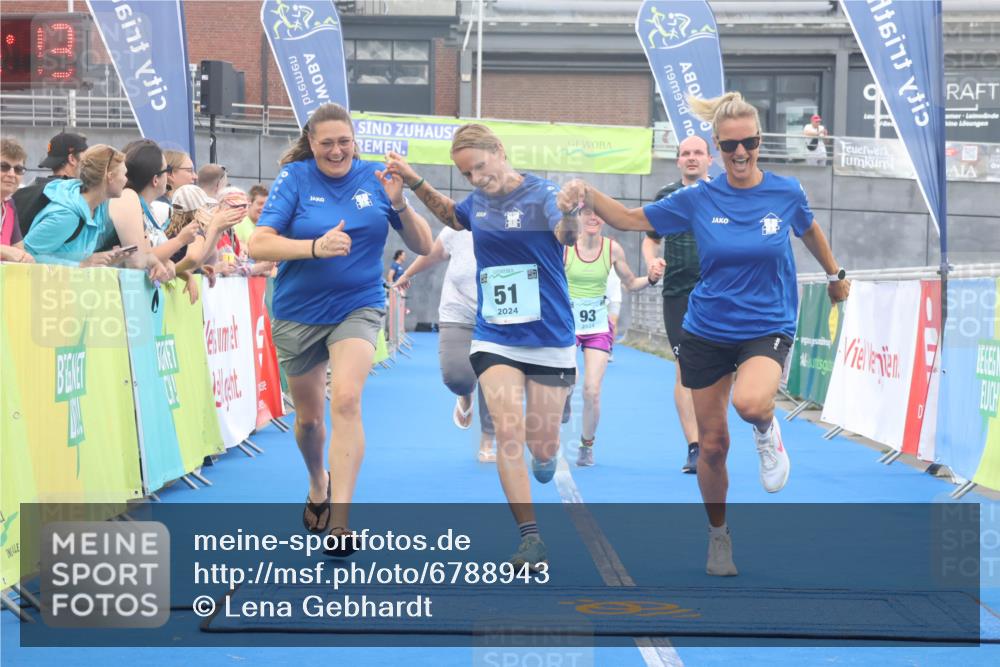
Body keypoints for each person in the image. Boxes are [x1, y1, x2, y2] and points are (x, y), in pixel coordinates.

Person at [558, 92, 850, 577]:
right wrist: (587, 191)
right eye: (731, 145)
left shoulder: (786, 192)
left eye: (750, 144)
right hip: (707, 327)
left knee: (753, 403)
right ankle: (719, 536)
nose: (741, 154)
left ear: (761, 144)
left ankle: (766, 431)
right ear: (717, 146)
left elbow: (810, 230)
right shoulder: (697, 198)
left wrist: (836, 273)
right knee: (711, 446)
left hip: (766, 323)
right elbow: (632, 220)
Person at [384, 124, 579, 570]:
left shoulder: (543, 194)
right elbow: (453, 216)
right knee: (508, 430)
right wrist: (413, 180)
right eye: (466, 173)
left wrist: (569, 214)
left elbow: (565, 235)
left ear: (500, 152)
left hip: (549, 336)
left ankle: (546, 454)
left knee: (542, 445)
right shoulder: (479, 203)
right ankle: (530, 538)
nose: (475, 178)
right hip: (496, 336)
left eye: (479, 167)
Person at [249, 103, 432, 555]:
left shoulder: (376, 178)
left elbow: (424, 244)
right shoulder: (295, 179)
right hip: (299, 311)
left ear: (355, 141)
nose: (336, 151)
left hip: (359, 305)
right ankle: (318, 483)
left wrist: (400, 202)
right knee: (310, 422)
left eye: (344, 142)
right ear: (312, 143)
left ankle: (342, 522)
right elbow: (258, 242)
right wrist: (316, 246)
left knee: (347, 398)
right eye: (326, 143)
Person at [565, 207, 663, 467]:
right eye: (587, 213)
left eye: (598, 214)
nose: (593, 218)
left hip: (597, 325)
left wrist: (652, 279)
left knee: (592, 391)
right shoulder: (565, 248)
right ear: (578, 218)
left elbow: (630, 283)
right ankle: (563, 398)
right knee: (568, 381)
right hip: (567, 324)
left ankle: (587, 445)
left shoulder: (612, 249)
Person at [392, 227, 497, 463]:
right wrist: (407, 274)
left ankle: (487, 443)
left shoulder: (515, 224)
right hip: (457, 312)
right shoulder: (458, 227)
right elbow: (433, 253)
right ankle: (465, 395)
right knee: (457, 378)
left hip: (497, 316)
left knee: (494, 380)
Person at [640, 135, 713, 474]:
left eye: (698, 152)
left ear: (710, 160)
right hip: (678, 293)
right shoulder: (666, 196)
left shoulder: (723, 194)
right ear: (678, 161)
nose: (692, 158)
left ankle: (714, 437)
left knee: (719, 371)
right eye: (686, 154)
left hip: (719, 292)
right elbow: (651, 240)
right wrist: (652, 263)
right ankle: (695, 447)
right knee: (684, 368)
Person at [23, 144, 134, 268]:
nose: (126, 180)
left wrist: (104, 260)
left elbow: (67, 254)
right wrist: (80, 265)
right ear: (110, 177)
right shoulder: (66, 216)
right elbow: (26, 254)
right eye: (124, 174)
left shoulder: (96, 209)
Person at [13, 131, 88, 235]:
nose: (89, 163)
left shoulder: (27, 191)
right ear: (72, 159)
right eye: (86, 157)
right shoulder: (76, 195)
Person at [1, 137, 35, 263]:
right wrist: (3, 250)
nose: (11, 174)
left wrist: (26, 259)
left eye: (18, 169)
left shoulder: (10, 205)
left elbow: (19, 251)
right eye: (4, 167)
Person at [233, 183, 268, 248]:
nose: (263, 208)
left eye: (266, 205)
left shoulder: (261, 225)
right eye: (260, 203)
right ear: (249, 203)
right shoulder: (240, 222)